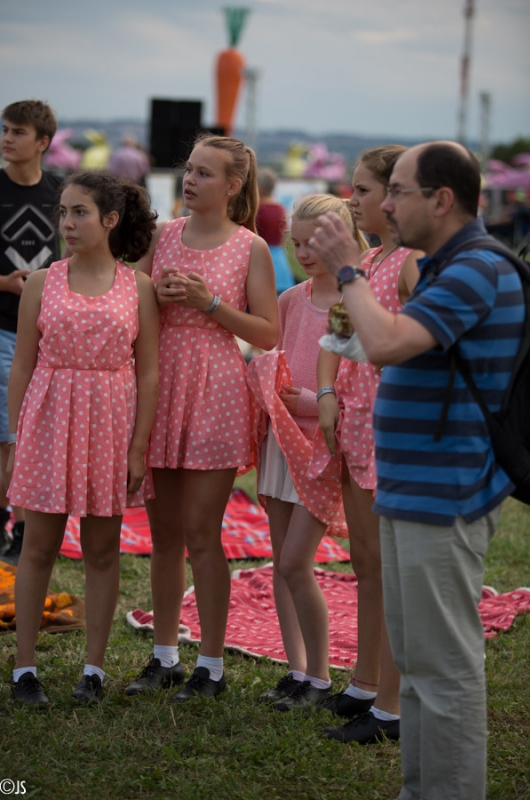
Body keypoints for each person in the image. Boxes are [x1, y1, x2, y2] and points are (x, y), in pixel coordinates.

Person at [308, 141, 524, 800]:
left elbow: (386, 344)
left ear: (441, 199)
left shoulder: (475, 269)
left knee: (445, 668)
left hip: (445, 491)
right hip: (414, 489)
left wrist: (348, 271)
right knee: (419, 662)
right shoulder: (443, 266)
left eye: (398, 190)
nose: (386, 202)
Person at [127, 134, 278, 702]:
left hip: (215, 389)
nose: (189, 180)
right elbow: (131, 305)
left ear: (233, 186)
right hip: (159, 386)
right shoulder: (161, 236)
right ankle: (164, 655)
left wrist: (209, 302)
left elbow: (268, 332)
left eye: (204, 174)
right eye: (187, 170)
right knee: (161, 535)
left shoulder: (250, 248)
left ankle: (210, 666)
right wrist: (158, 299)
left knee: (202, 534)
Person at [7, 171, 160, 706]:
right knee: (39, 548)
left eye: (80, 213)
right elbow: (22, 367)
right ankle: (24, 669)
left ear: (110, 220)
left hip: (111, 424)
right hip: (49, 421)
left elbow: (148, 374)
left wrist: (139, 445)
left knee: (101, 550)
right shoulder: (41, 283)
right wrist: (19, 434)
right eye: (63, 212)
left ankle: (92, 670)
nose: (67, 223)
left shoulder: (137, 287)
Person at [313, 146, 421, 745]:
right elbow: (338, 331)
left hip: (390, 425)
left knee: (393, 570)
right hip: (356, 418)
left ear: (394, 194)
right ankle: (365, 680)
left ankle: (393, 706)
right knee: (366, 563)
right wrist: (326, 389)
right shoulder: (372, 256)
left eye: (361, 189)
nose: (351, 199)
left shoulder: (409, 262)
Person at [247, 194, 367, 710]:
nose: (302, 251)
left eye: (314, 242)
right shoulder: (292, 298)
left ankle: (319, 677)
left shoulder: (352, 300)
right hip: (281, 442)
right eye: (295, 242)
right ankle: (296, 670)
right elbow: (270, 352)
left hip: (321, 448)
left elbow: (359, 376)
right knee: (281, 563)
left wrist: (313, 398)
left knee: (296, 562)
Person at [0, 100, 62, 564]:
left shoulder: (61, 193)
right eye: (4, 129)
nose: (6, 138)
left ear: (43, 142)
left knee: (30, 434)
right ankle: (16, 528)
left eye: (17, 131)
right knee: (9, 434)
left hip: (50, 336)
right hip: (3, 327)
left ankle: (20, 527)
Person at [256, 168, 295, 295]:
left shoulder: (259, 210)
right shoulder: (280, 208)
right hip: (280, 261)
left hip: (261, 259)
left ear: (260, 188)